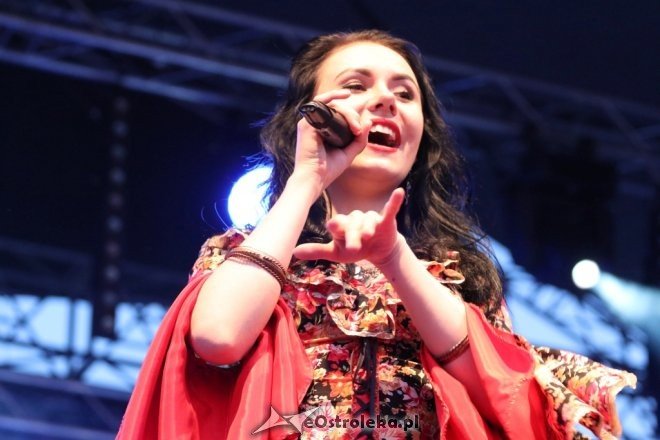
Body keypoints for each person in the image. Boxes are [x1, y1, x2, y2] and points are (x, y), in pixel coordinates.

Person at [118, 30, 636, 439]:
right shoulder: (244, 251)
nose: (384, 99)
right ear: (312, 116)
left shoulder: (460, 274)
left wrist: (394, 258)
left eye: (404, 93)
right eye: (354, 86)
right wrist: (307, 177)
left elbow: (501, 392)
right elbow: (217, 337)